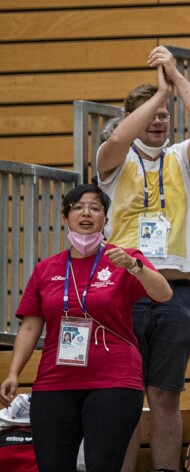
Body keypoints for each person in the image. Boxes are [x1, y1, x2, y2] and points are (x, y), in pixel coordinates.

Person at [94, 47, 190, 472]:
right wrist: (156, 97)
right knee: (124, 394)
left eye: (165, 113)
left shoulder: (184, 157)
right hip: (121, 291)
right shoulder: (113, 158)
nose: (159, 119)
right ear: (132, 116)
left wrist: (175, 81)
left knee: (165, 396)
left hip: (175, 291)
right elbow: (116, 138)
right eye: (151, 113)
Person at [0, 184, 172, 472]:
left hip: (114, 379)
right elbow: (30, 327)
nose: (86, 213)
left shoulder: (125, 257)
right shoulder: (46, 269)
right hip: (55, 381)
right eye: (78, 207)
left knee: (102, 465)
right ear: (65, 216)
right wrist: (14, 372)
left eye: (95, 207)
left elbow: (164, 294)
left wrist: (135, 267)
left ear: (106, 219)